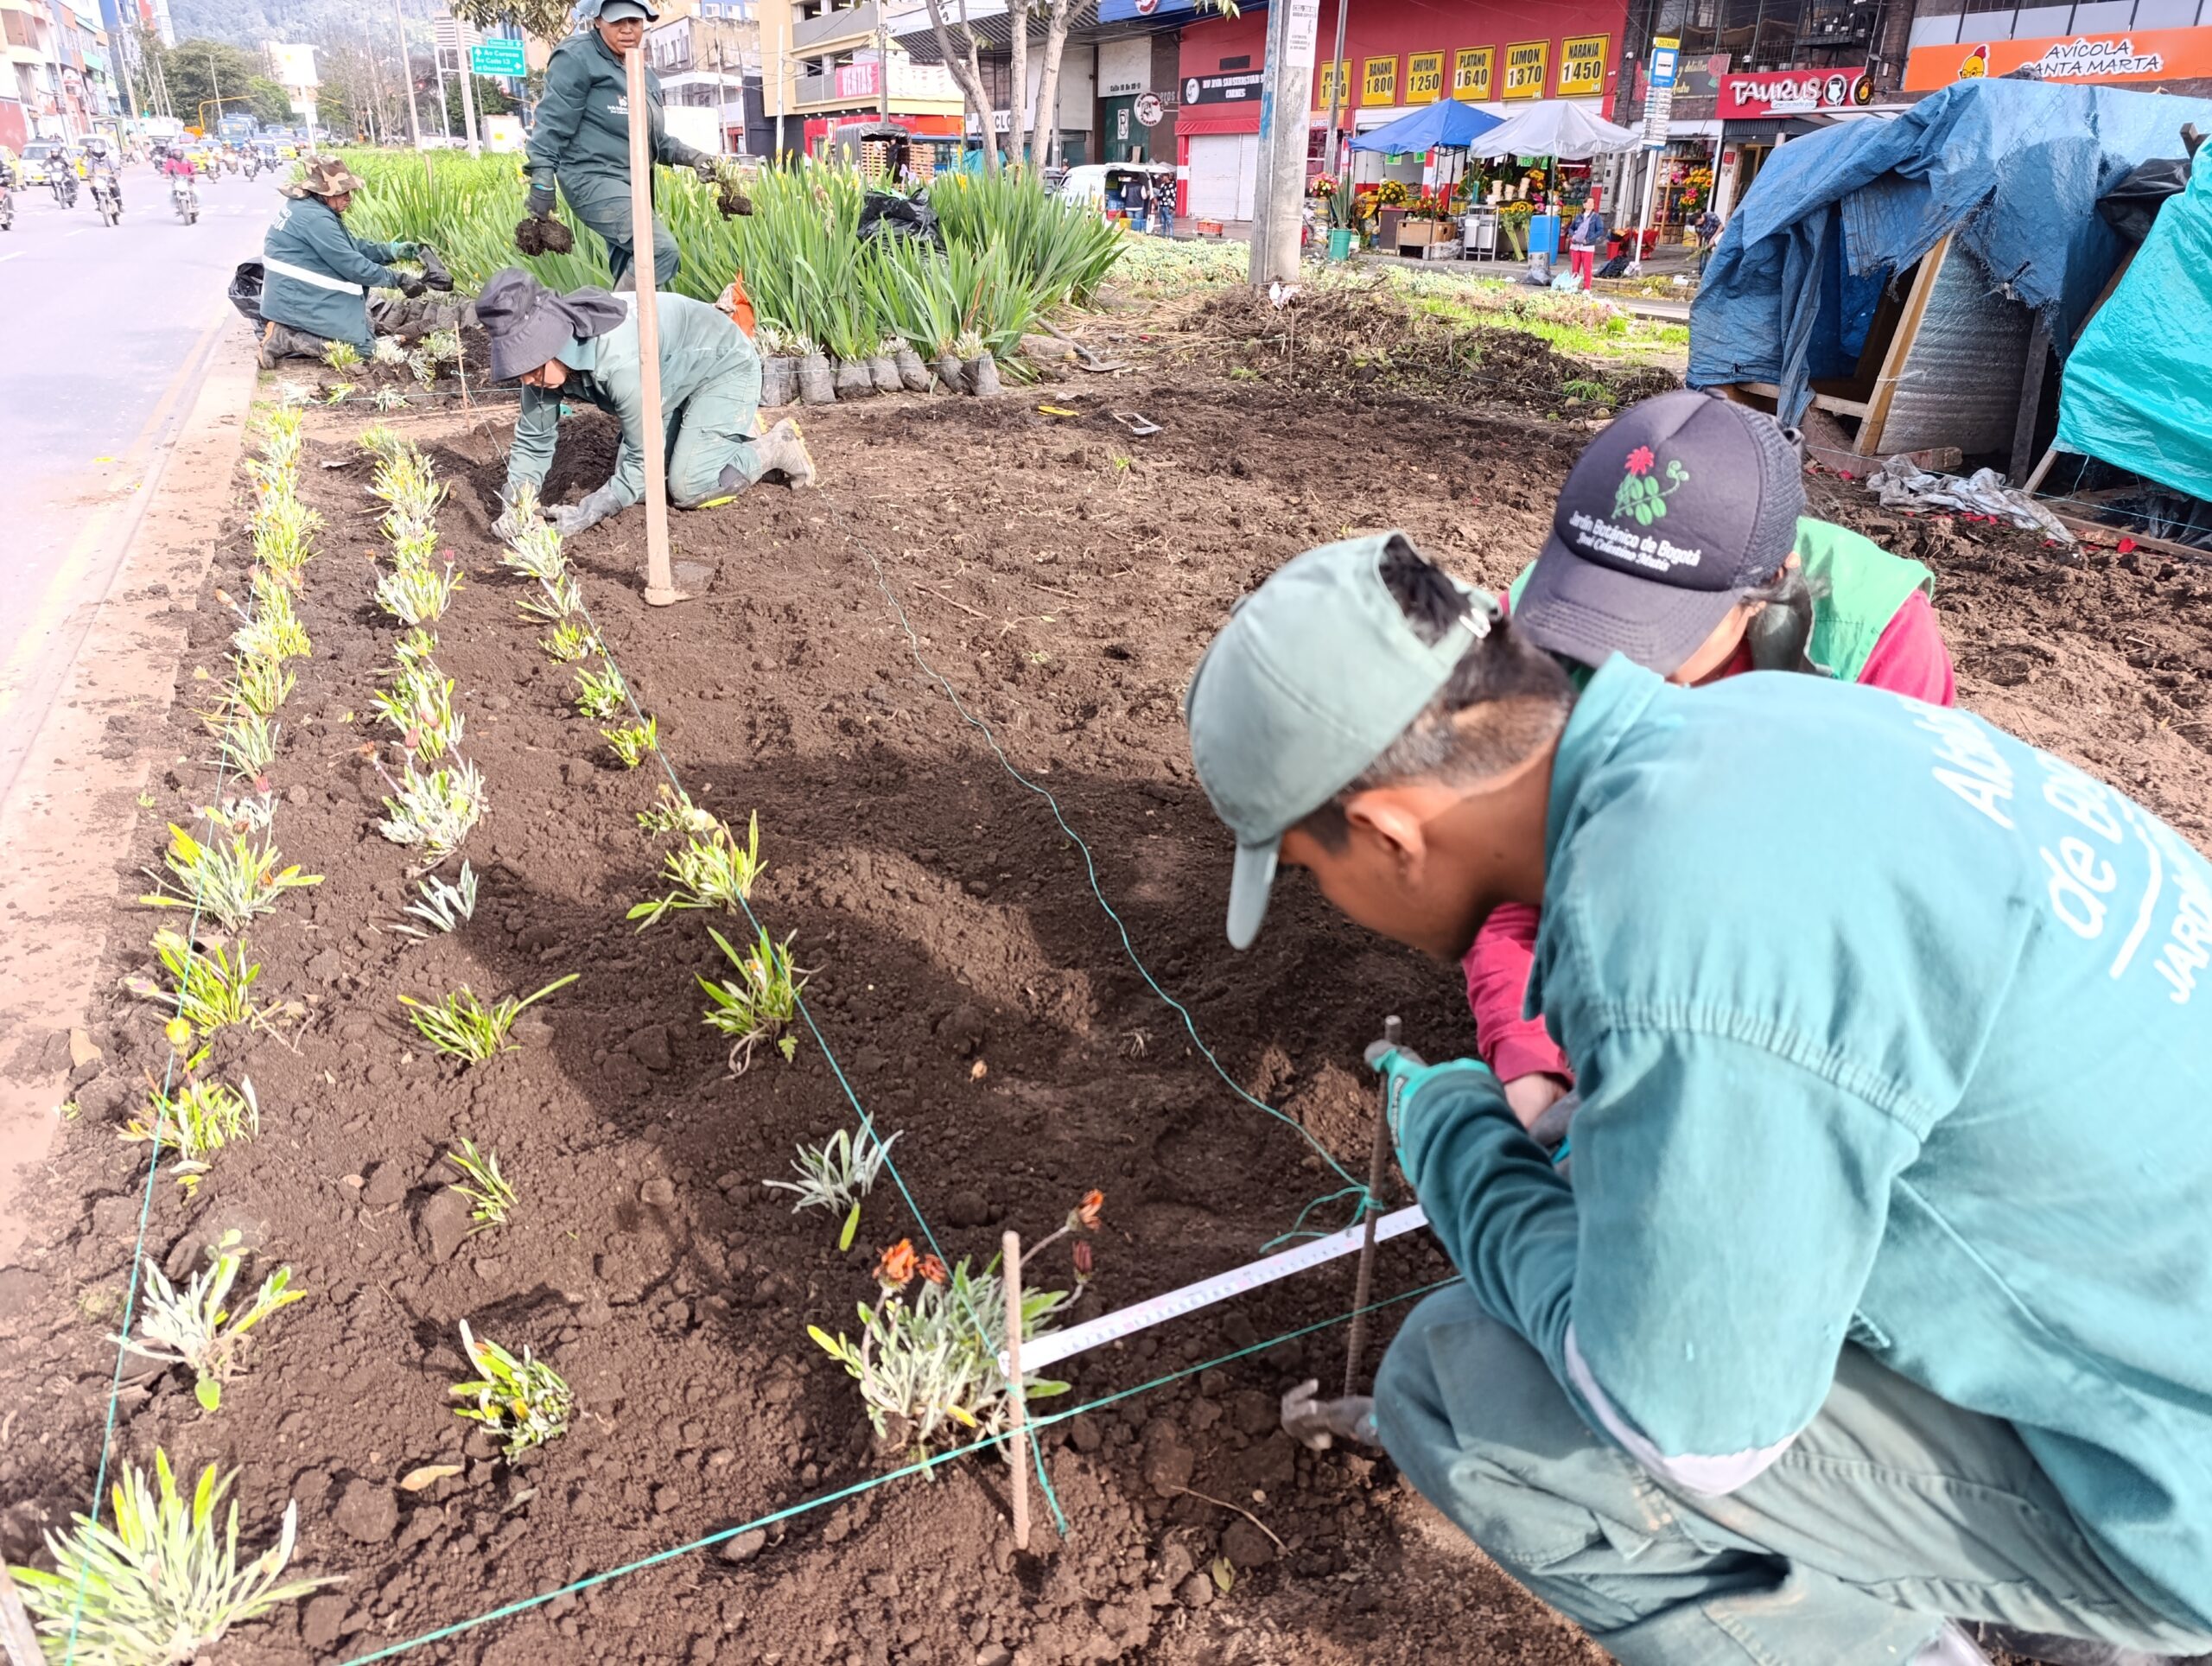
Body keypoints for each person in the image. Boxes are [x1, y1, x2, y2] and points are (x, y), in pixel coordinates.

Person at [1185, 531, 2212, 1666]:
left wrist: (1466, 1153)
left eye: (1311, 875)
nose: (1334, 900)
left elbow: (1684, 1426)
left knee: (1462, 1386)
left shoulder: (1675, 926)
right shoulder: (1766, 728)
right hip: (2151, 1311)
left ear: (1386, 832)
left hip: (2180, 1482)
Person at [1465, 390, 1958, 1134]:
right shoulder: (1538, 628)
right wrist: (1529, 1061)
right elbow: (1507, 871)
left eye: (1660, 625)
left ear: (1768, 586)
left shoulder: (1873, 646)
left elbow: (1881, 910)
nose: (1620, 662)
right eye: (1599, 608)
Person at [478, 266, 817, 538]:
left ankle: (775, 445)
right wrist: (516, 507)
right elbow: (534, 441)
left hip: (723, 365)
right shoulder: (542, 367)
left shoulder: (617, 361)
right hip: (669, 380)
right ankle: (722, 434)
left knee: (687, 487)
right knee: (642, 491)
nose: (525, 378)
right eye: (517, 367)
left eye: (531, 364)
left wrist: (586, 513)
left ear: (552, 342)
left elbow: (641, 463)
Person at [522, 0, 723, 289]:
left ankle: (626, 328)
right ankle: (622, 327)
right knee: (658, 252)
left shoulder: (642, 73)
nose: (628, 30)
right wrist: (541, 177)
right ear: (597, 20)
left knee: (632, 268)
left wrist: (694, 157)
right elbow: (552, 122)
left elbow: (654, 139)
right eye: (617, 22)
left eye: (635, 21)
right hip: (593, 179)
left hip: (634, 187)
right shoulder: (577, 59)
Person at [255, 155, 451, 367]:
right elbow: (354, 267)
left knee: (364, 325)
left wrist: (393, 251)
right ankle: (284, 338)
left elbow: (349, 248)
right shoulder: (316, 219)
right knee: (364, 350)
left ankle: (296, 330)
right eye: (342, 193)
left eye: (349, 192)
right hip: (296, 299)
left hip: (293, 293)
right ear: (322, 192)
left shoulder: (308, 208)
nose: (348, 198)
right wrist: (400, 280)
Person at [1566, 198, 1605, 291]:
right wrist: (1573, 236)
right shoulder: (1579, 217)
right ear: (1584, 205)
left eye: (1593, 202)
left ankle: (1587, 288)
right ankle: (1574, 286)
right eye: (1589, 202)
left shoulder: (1596, 217)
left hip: (1588, 246)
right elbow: (1571, 228)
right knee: (1575, 268)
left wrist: (1588, 240)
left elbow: (1600, 231)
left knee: (1587, 268)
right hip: (1576, 246)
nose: (1591, 204)